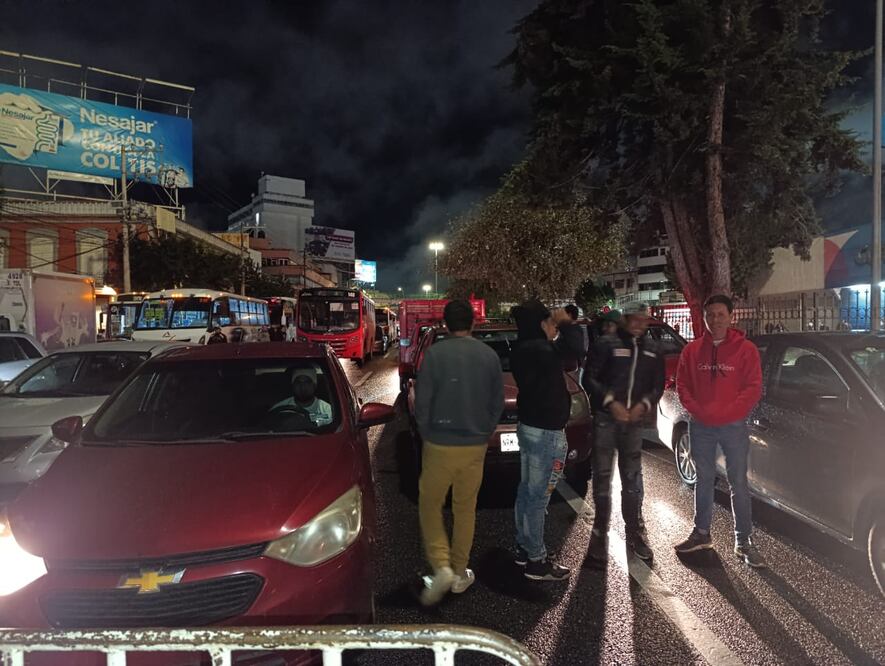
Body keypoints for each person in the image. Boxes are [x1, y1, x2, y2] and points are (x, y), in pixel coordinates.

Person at [415, 300, 504, 606]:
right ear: (473, 323)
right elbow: (497, 402)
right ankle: (457, 571)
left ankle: (440, 567)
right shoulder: (489, 355)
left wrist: (427, 433)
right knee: (465, 508)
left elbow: (422, 402)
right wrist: (484, 430)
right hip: (475, 445)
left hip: (440, 443)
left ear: (444, 324)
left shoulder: (435, 354)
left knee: (430, 504)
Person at [673, 294, 765, 567]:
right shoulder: (691, 351)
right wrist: (699, 411)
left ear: (730, 316)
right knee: (704, 480)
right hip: (701, 426)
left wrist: (730, 412)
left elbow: (753, 387)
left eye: (720, 314)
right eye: (710, 314)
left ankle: (744, 540)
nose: (715, 319)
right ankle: (701, 533)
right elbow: (683, 385)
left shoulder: (745, 349)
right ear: (704, 318)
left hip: (733, 427)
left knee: (738, 483)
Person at [584, 301, 664, 565]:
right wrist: (611, 402)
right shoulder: (606, 343)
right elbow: (589, 378)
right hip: (606, 420)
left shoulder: (653, 349)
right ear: (625, 319)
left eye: (644, 319)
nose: (640, 323)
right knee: (603, 480)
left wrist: (644, 404)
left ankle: (635, 533)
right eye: (635, 318)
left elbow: (657, 386)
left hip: (633, 424)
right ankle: (599, 535)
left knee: (632, 481)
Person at [510, 300, 572, 581]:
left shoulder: (522, 348)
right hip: (546, 433)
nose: (554, 327)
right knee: (538, 498)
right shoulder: (541, 350)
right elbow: (575, 352)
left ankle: (524, 549)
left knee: (527, 492)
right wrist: (568, 322)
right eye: (550, 323)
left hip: (530, 428)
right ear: (539, 324)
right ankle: (537, 559)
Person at [555, 304, 586, 375]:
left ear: (569, 315)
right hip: (568, 365)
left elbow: (577, 349)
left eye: (563, 315)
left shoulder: (571, 330)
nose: (561, 317)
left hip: (568, 366)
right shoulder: (574, 328)